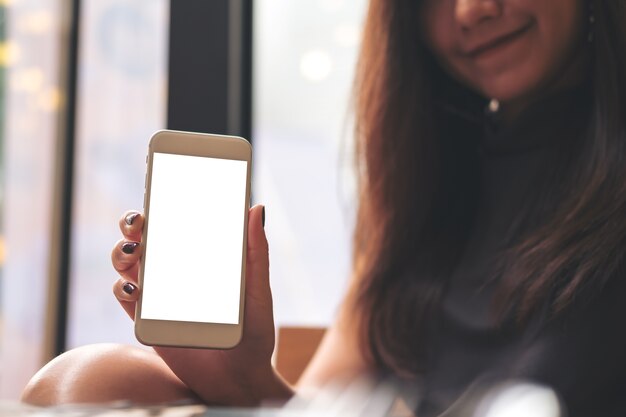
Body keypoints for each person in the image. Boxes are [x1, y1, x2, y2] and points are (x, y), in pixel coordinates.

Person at [21, 0, 626, 416]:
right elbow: (310, 408)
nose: (470, 9)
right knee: (87, 379)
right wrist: (245, 375)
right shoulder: (424, 196)